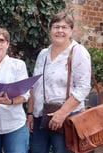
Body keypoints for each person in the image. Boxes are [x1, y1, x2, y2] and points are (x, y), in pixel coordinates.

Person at [26, 10, 91, 153]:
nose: (60, 30)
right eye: (56, 26)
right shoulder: (43, 54)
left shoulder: (78, 52)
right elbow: (34, 85)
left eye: (65, 27)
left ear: (71, 30)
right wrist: (30, 114)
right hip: (40, 117)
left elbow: (83, 87)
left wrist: (61, 114)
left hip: (66, 118)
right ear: (50, 30)